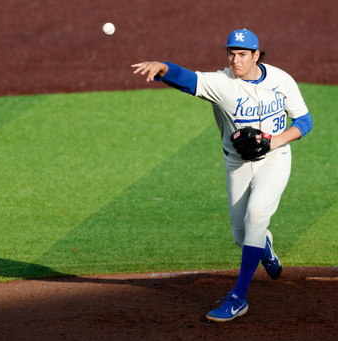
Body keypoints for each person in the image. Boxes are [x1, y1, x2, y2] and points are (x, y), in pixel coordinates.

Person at [132, 28, 313, 322]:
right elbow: (188, 79)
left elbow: (304, 121)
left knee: (255, 217)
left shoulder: (282, 81)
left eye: (242, 54)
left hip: (275, 160)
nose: (235, 60)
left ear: (256, 55)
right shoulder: (221, 83)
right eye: (231, 53)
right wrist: (163, 68)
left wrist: (274, 140)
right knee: (242, 236)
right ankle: (264, 247)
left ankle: (238, 298)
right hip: (237, 165)